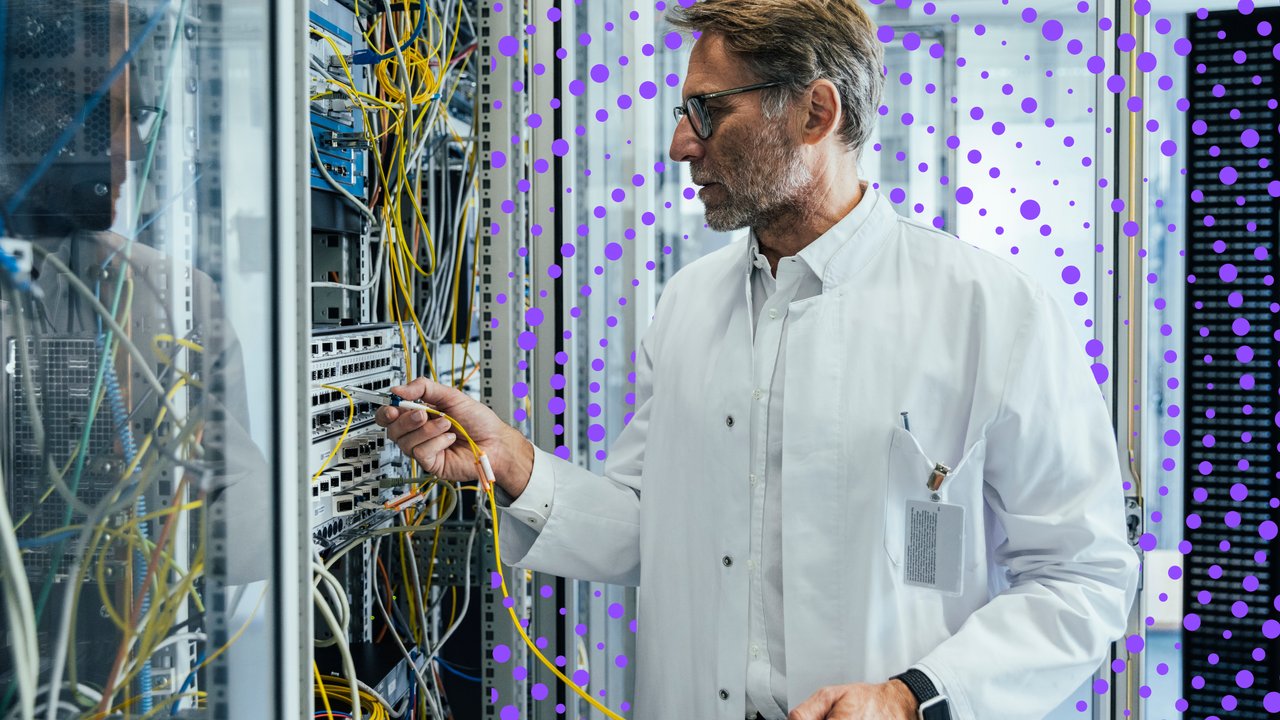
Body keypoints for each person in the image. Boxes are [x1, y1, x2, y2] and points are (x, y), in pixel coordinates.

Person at [376, 0, 1139, 718]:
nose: (681, 142)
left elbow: (1084, 576)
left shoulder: (990, 310)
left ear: (816, 111)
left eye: (709, 109)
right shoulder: (687, 305)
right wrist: (509, 461)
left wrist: (915, 697)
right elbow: (652, 524)